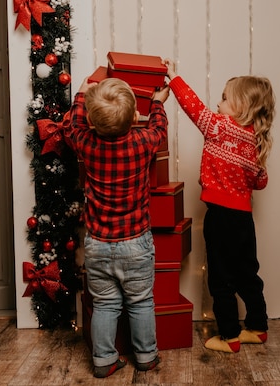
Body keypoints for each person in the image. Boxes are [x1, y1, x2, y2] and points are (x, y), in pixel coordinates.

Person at [165, 59, 276, 353]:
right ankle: (258, 327)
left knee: (221, 279)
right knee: (248, 274)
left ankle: (229, 336)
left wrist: (174, 76)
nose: (218, 102)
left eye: (225, 98)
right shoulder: (255, 140)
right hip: (243, 220)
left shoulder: (219, 127)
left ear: (242, 106)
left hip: (220, 218)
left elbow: (193, 106)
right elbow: (260, 182)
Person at [67, 76, 169, 377]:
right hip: (136, 243)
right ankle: (146, 356)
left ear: (92, 122)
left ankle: (103, 360)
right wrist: (158, 102)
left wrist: (80, 96)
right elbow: (159, 128)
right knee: (140, 302)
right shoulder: (143, 142)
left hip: (98, 244)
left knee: (105, 305)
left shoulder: (86, 143)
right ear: (135, 115)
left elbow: (71, 128)